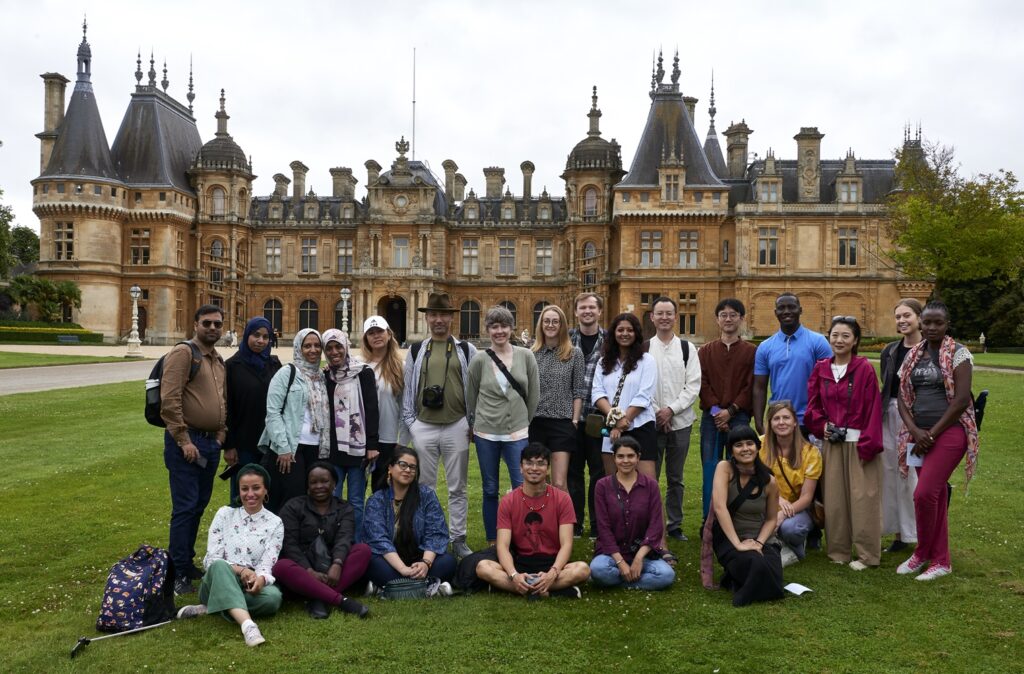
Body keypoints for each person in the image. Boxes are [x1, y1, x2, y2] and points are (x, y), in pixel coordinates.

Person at [895, 301, 979, 581]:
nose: (931, 328)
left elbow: (961, 400)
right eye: (927, 322)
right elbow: (904, 400)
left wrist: (931, 434)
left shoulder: (958, 353)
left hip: (950, 432)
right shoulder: (913, 356)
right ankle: (931, 557)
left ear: (947, 325)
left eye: (937, 323)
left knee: (924, 493)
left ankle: (930, 554)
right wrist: (916, 432)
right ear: (921, 323)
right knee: (936, 495)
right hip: (917, 436)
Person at [402, 292, 478, 559]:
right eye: (433, 315)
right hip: (424, 426)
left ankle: (458, 538)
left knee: (458, 487)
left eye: (443, 315)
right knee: (425, 487)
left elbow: (476, 388)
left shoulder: (467, 350)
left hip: (457, 425)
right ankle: (429, 536)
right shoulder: (414, 350)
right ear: (426, 318)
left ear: (451, 318)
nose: (438, 320)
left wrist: (472, 422)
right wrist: (412, 424)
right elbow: (407, 389)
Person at [160, 304, 229, 595]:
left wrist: (221, 432)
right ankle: (177, 572)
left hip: (209, 443)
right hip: (187, 443)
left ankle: (186, 564)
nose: (213, 328)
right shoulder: (184, 353)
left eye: (217, 324)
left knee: (198, 506)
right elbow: (169, 398)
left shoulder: (217, 359)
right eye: (207, 323)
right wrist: (183, 439)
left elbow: (221, 398)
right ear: (195, 324)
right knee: (185, 508)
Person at [805, 316, 884, 570]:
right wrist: (823, 426)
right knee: (835, 499)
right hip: (833, 444)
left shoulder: (864, 369)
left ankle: (867, 555)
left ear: (855, 340)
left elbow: (874, 408)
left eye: (845, 336)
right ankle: (838, 551)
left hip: (860, 442)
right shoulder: (822, 368)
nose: (839, 340)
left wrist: (869, 445)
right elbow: (813, 406)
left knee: (863, 499)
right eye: (835, 335)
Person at [176, 464, 284, 647]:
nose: (250, 494)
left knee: (273, 598)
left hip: (247, 585)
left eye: (256, 488)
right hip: (216, 579)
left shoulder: (275, 523)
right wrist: (241, 570)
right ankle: (248, 626)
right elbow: (212, 560)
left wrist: (260, 581)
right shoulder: (224, 514)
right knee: (219, 565)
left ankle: (213, 607)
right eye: (244, 489)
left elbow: (267, 564)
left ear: (266, 490)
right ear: (239, 490)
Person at [475, 443, 591, 598]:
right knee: (483, 567)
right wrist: (513, 574)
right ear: (521, 468)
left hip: (552, 562)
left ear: (548, 468)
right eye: (529, 463)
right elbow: (502, 546)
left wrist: (553, 572)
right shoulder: (508, 501)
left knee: (582, 569)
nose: (534, 468)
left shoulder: (563, 499)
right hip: (521, 562)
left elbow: (567, 544)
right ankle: (550, 591)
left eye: (541, 464)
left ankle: (515, 589)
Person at [467, 306, 540, 546]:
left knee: (522, 486)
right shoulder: (479, 360)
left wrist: (524, 422)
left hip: (517, 432)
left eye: (504, 326)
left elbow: (533, 395)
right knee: (490, 489)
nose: (500, 331)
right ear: (487, 330)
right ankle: (492, 539)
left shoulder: (525, 355)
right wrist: (475, 423)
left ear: (512, 328)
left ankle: (521, 537)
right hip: (486, 432)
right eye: (494, 326)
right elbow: (471, 395)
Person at [272, 462, 370, 619]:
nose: (319, 486)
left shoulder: (345, 509)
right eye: (313, 482)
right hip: (302, 570)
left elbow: (344, 538)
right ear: (307, 486)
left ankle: (318, 597)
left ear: (334, 484)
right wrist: (308, 571)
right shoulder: (292, 507)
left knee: (363, 550)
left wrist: (337, 564)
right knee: (281, 566)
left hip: (332, 570)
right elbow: (289, 544)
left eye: (324, 481)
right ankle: (340, 600)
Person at [700, 427, 785, 607]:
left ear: (757, 446)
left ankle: (734, 581)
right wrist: (738, 544)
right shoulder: (725, 468)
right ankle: (743, 592)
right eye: (738, 445)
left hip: (762, 538)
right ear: (731, 450)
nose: (745, 449)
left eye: (749, 443)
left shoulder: (769, 481)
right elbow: (720, 507)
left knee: (773, 574)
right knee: (755, 563)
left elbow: (771, 519)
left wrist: (759, 543)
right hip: (730, 537)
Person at [361, 448, 457, 592]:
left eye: (412, 467)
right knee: (370, 563)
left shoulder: (426, 496)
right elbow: (378, 540)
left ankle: (388, 588)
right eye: (403, 465)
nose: (408, 470)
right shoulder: (377, 500)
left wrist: (425, 563)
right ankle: (428, 587)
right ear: (390, 468)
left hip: (420, 559)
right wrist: (403, 569)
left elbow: (436, 533)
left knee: (448, 562)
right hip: (389, 561)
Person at [646, 297, 701, 542]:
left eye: (669, 313)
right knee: (650, 477)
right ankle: (651, 523)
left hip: (680, 423)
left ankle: (675, 524)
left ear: (675, 317)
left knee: (676, 478)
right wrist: (658, 412)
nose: (665, 317)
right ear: (652, 317)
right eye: (660, 313)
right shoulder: (645, 348)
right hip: (651, 423)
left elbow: (693, 386)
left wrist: (671, 410)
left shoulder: (688, 349)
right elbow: (642, 386)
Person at [257, 329, 330, 513]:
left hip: (316, 448)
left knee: (313, 498)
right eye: (307, 346)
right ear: (298, 348)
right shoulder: (286, 373)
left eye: (316, 345)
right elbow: (272, 413)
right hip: (291, 448)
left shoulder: (322, 376)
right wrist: (283, 447)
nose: (313, 350)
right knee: (292, 500)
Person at [590, 437, 676, 590]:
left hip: (643, 553)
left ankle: (621, 581)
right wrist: (620, 562)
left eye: (630, 456)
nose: (625, 461)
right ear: (614, 458)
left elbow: (656, 526)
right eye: (620, 456)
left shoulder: (651, 485)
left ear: (638, 458)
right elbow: (603, 528)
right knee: (598, 569)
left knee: (666, 575)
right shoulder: (602, 486)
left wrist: (638, 558)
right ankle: (633, 579)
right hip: (611, 554)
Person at [697, 298, 757, 520]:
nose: (728, 319)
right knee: (711, 469)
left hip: (739, 418)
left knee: (740, 468)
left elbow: (750, 385)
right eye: (724, 315)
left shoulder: (751, 352)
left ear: (742, 319)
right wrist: (716, 412)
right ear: (717, 319)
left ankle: (737, 517)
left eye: (733, 315)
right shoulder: (705, 351)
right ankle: (709, 518)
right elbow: (701, 383)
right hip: (711, 419)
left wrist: (730, 411)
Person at [322, 328, 379, 538]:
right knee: (331, 498)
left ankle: (354, 543)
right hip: (334, 448)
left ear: (346, 347)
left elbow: (372, 409)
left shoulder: (363, 372)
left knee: (356, 500)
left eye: (338, 346)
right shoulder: (326, 375)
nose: (335, 352)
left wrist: (372, 445)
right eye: (329, 348)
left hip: (358, 447)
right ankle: (332, 540)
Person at [878, 299, 923, 553]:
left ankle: (918, 534)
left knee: (914, 476)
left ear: (919, 317)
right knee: (890, 473)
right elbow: (887, 388)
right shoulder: (890, 351)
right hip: (891, 414)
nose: (902, 321)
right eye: (897, 317)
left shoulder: (929, 349)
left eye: (907, 315)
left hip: (917, 418)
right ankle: (899, 534)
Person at [752, 293, 832, 435]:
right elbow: (759, 388)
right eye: (781, 308)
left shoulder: (818, 342)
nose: (787, 311)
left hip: (811, 420)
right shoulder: (765, 347)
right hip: (779, 420)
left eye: (791, 307)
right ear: (776, 312)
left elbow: (830, 384)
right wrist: (759, 425)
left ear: (800, 310)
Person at [224, 317, 282, 506]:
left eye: (266, 337)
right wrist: (229, 445)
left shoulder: (274, 364)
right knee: (243, 494)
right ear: (247, 334)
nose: (261, 341)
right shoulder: (232, 366)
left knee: (270, 492)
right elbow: (227, 408)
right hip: (244, 442)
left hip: (271, 441)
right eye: (256, 335)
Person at [592, 313, 658, 478]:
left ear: (636, 333)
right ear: (613, 333)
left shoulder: (647, 361)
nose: (625, 333)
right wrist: (615, 420)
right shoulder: (603, 362)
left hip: (641, 426)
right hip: (611, 429)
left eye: (630, 330)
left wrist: (622, 422)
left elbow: (644, 395)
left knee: (646, 483)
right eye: (620, 330)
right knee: (613, 484)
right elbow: (597, 392)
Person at [529, 304, 586, 494]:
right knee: (536, 482)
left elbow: (578, 390)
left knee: (559, 484)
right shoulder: (531, 354)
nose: (551, 325)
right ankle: (539, 523)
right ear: (541, 324)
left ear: (562, 324)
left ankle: (564, 524)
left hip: (562, 423)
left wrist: (575, 421)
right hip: (535, 422)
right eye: (547, 321)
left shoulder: (574, 353)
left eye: (555, 321)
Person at [760, 400, 822, 566]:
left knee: (790, 529)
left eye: (786, 418)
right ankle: (776, 545)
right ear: (770, 423)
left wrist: (780, 515)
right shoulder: (759, 445)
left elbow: (807, 497)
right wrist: (777, 500)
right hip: (766, 503)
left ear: (795, 422)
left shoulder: (810, 452)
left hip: (796, 509)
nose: (781, 422)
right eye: (776, 418)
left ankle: (794, 546)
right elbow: (754, 481)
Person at [568, 292, 607, 538]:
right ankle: (574, 524)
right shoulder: (566, 338)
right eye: (583, 307)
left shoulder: (611, 340)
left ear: (600, 312)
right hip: (570, 418)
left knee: (599, 473)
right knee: (572, 473)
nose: (587, 311)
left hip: (598, 417)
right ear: (576, 312)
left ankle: (596, 525)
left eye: (592, 307)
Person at [360, 315, 408, 493]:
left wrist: (401, 441)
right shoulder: (358, 365)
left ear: (389, 334)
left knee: (382, 490)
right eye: (371, 333)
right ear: (366, 338)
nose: (376, 336)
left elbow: (406, 406)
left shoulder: (401, 367)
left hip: (388, 438)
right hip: (361, 438)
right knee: (358, 490)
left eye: (379, 331)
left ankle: (381, 521)